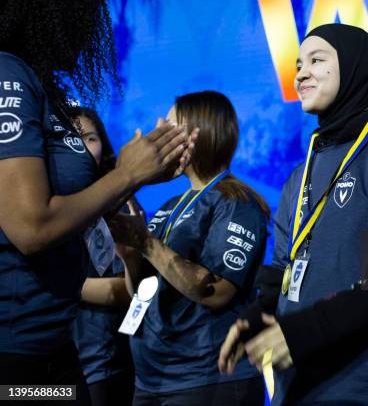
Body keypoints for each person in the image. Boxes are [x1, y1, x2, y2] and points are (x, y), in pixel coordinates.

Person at [0, 0, 194, 403]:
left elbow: (69, 210)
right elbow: (30, 228)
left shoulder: (41, 85)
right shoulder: (8, 74)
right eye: (87, 11)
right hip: (16, 359)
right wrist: (124, 175)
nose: (95, 26)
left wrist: (138, 176)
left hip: (54, 349)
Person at [219, 23, 368, 405]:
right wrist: (254, 317)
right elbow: (285, 269)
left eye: (317, 60)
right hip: (299, 387)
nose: (301, 73)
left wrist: (305, 331)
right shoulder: (298, 177)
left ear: (353, 68)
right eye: (299, 64)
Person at [110, 91, 269, 406]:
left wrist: (146, 242)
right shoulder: (171, 204)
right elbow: (141, 290)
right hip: (151, 378)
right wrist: (131, 258)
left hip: (205, 379)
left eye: (169, 126)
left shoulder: (235, 201)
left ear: (199, 133)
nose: (158, 136)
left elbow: (217, 292)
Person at [71, 107, 137, 406]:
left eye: (89, 137)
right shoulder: (37, 205)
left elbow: (132, 290)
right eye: (71, 139)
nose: (81, 147)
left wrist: (62, 283)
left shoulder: (121, 203)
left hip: (112, 363)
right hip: (54, 368)